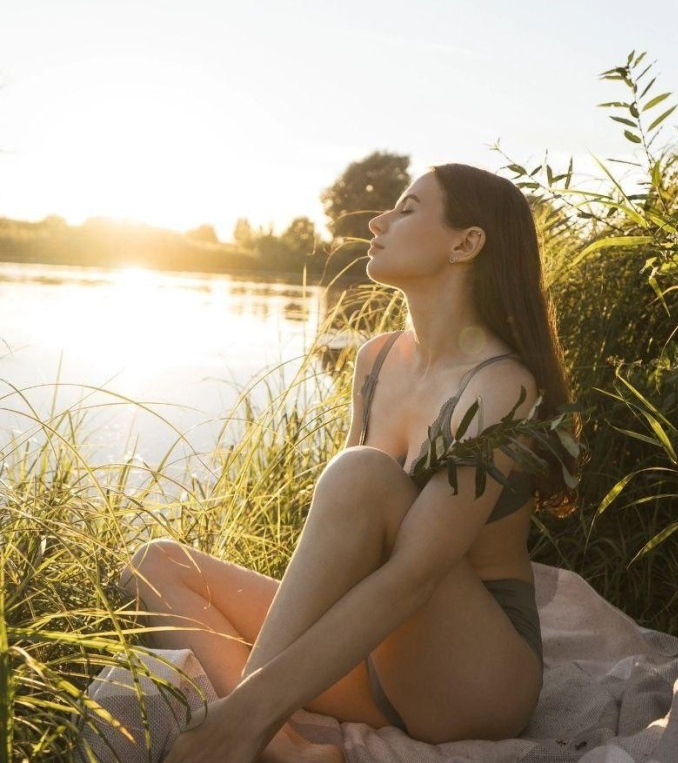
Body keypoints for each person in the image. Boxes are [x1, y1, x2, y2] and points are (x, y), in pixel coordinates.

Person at [119, 163, 579, 763]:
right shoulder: (377, 359)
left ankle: (244, 724)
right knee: (158, 564)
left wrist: (247, 705)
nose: (379, 219)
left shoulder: (501, 383)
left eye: (408, 208)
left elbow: (414, 574)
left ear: (465, 243)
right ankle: (280, 745)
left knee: (361, 472)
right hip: (376, 654)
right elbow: (349, 549)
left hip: (472, 677)